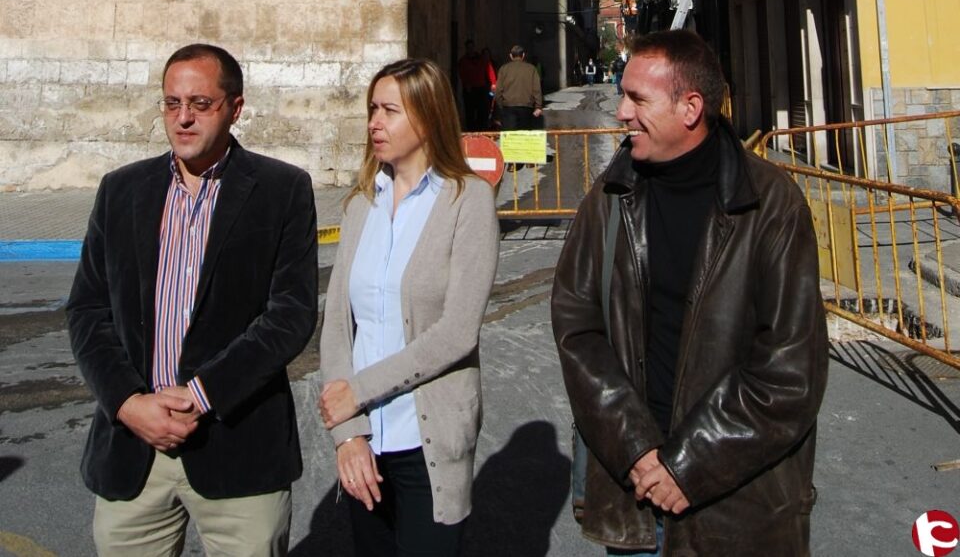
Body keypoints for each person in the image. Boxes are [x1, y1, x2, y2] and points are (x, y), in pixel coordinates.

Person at [551, 30, 827, 556]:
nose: (621, 113)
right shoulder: (610, 197)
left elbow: (791, 372)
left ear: (691, 108)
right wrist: (637, 450)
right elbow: (575, 325)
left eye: (636, 98)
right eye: (622, 95)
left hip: (733, 512)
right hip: (635, 499)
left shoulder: (771, 206)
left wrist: (686, 465)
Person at [66, 43, 318, 557]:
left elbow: (290, 314)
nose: (183, 118)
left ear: (235, 108)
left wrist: (202, 394)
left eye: (200, 104)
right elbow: (88, 310)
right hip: (134, 450)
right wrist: (128, 403)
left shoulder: (282, 190)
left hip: (237, 449)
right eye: (171, 103)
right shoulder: (121, 191)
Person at [318, 58, 499, 556]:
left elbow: (457, 332)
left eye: (390, 111)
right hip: (363, 444)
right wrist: (348, 433)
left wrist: (357, 392)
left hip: (426, 442)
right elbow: (337, 322)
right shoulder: (361, 204)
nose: (375, 122)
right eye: (372, 109)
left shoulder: (468, 201)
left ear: (428, 117)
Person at [495, 44, 543, 130]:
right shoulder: (531, 69)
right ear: (523, 55)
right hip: (526, 107)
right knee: (524, 136)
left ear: (510, 56)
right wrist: (538, 106)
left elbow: (498, 90)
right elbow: (536, 89)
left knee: (510, 136)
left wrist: (501, 105)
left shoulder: (503, 69)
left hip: (508, 107)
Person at [457, 39, 496, 132]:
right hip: (469, 89)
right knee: (469, 111)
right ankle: (471, 130)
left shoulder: (481, 59)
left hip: (481, 88)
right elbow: (461, 74)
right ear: (466, 49)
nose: (470, 49)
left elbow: (489, 70)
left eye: (471, 47)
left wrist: (493, 83)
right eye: (468, 48)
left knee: (482, 111)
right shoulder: (463, 61)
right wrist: (466, 84)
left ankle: (481, 129)